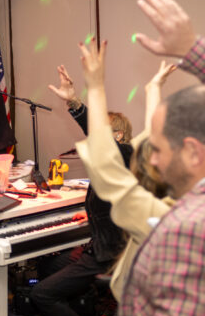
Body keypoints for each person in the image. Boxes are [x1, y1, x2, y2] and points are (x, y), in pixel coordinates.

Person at [89, 0, 205, 316]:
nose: (152, 158)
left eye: (157, 150)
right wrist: (190, 53)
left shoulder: (171, 222)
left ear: (191, 153)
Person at [35, 54, 135, 316]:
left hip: (110, 256)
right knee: (48, 262)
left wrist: (76, 103)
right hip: (100, 246)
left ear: (116, 137)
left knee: (42, 293)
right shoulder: (108, 166)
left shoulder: (125, 156)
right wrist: (89, 218)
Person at [73, 45, 174, 302]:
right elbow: (150, 136)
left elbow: (105, 163)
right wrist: (153, 89)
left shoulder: (157, 217)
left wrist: (95, 87)